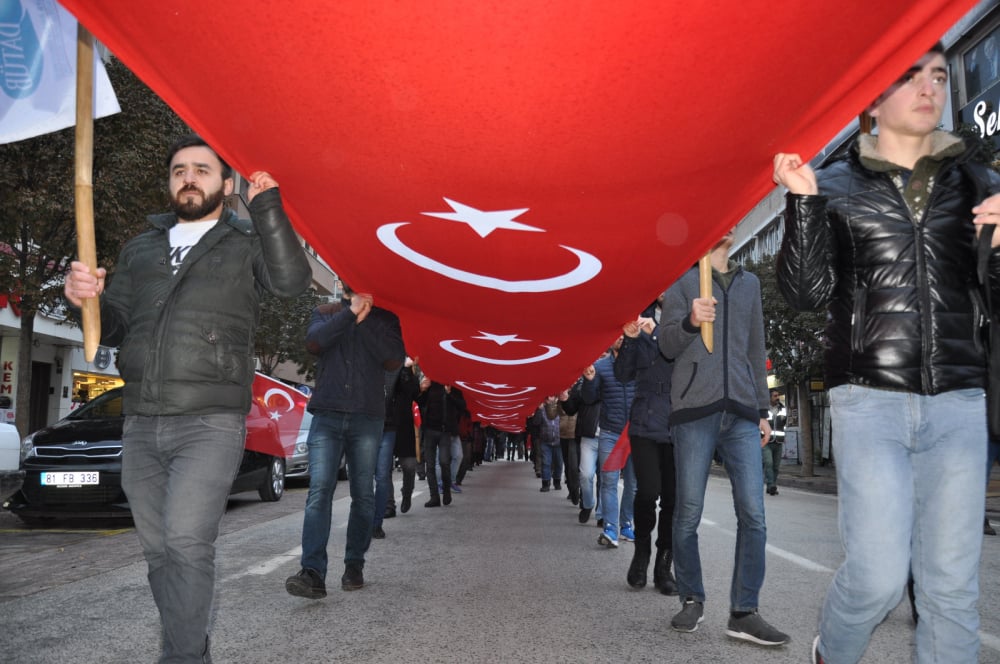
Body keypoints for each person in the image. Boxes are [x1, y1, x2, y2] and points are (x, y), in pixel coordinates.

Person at [774, 41, 1000, 664]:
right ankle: (834, 651)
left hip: (959, 396)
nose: (931, 88)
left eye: (937, 75)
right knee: (876, 576)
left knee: (950, 588)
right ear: (873, 97)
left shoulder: (980, 182)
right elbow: (802, 294)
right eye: (911, 77)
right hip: (867, 399)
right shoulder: (835, 183)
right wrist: (800, 204)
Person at [63, 134, 311, 662]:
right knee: (158, 552)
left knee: (185, 544)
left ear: (225, 182)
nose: (189, 178)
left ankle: (180, 657)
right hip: (141, 421)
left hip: (210, 421)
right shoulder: (141, 248)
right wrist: (88, 300)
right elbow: (116, 327)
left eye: (202, 169)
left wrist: (266, 205)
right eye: (179, 170)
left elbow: (291, 282)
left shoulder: (243, 241)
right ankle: (190, 641)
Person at [659, 231, 788, 646]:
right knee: (688, 512)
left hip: (743, 414)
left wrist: (763, 410)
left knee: (754, 513)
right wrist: (690, 321)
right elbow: (665, 346)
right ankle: (692, 598)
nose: (728, 227)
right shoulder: (681, 280)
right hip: (694, 411)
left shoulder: (749, 283)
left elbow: (756, 347)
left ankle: (744, 611)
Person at [285, 283, 405, 598]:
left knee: (363, 495)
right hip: (327, 414)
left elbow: (393, 359)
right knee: (319, 491)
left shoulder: (386, 319)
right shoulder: (325, 313)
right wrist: (350, 314)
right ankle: (312, 572)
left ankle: (354, 564)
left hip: (367, 418)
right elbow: (314, 343)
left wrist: (364, 320)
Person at [616, 296, 677, 594]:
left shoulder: (688, 314)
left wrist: (656, 333)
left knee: (673, 500)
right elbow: (622, 374)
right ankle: (641, 554)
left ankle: (664, 564)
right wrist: (629, 340)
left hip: (680, 421)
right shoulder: (639, 315)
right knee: (648, 490)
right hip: (644, 421)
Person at [582, 336, 637, 548]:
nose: (621, 338)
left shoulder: (639, 363)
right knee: (609, 481)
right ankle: (610, 528)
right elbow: (589, 398)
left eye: (625, 334)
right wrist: (589, 380)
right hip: (610, 433)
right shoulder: (600, 366)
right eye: (616, 334)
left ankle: (625, 524)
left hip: (637, 433)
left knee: (633, 484)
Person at [416, 379, 466, 507]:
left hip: (445, 431)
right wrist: (422, 389)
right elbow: (419, 401)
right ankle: (434, 497)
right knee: (430, 465)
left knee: (444, 462)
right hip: (429, 431)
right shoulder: (430, 383)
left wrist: (449, 394)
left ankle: (447, 489)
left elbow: (462, 406)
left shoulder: (452, 385)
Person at [560, 375, 602, 524]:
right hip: (587, 436)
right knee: (585, 475)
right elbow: (571, 409)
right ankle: (587, 504)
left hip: (610, 435)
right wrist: (564, 398)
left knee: (605, 478)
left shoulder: (616, 377)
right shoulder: (582, 383)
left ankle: (601, 513)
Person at [532, 396, 563, 492]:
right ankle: (545, 483)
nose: (550, 399)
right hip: (545, 441)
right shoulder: (543, 409)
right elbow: (536, 422)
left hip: (559, 441)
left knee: (559, 463)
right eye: (548, 397)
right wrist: (539, 410)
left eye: (552, 397)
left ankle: (557, 481)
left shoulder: (560, 407)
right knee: (546, 462)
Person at [762, 389, 785, 496]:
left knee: (776, 466)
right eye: (775, 396)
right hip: (766, 441)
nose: (777, 397)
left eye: (778, 395)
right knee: (769, 463)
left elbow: (785, 422)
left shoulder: (782, 408)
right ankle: (771, 485)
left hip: (779, 441)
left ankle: (772, 485)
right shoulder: (763, 409)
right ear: (769, 397)